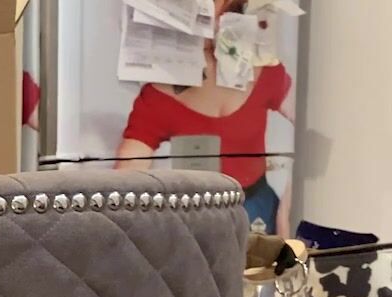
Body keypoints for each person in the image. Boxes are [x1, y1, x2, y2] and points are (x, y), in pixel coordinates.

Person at [113, 0, 295, 232]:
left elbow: (321, 133)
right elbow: (124, 185)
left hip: (258, 212)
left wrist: (287, 213)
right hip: (197, 219)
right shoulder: (157, 97)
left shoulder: (266, 73)